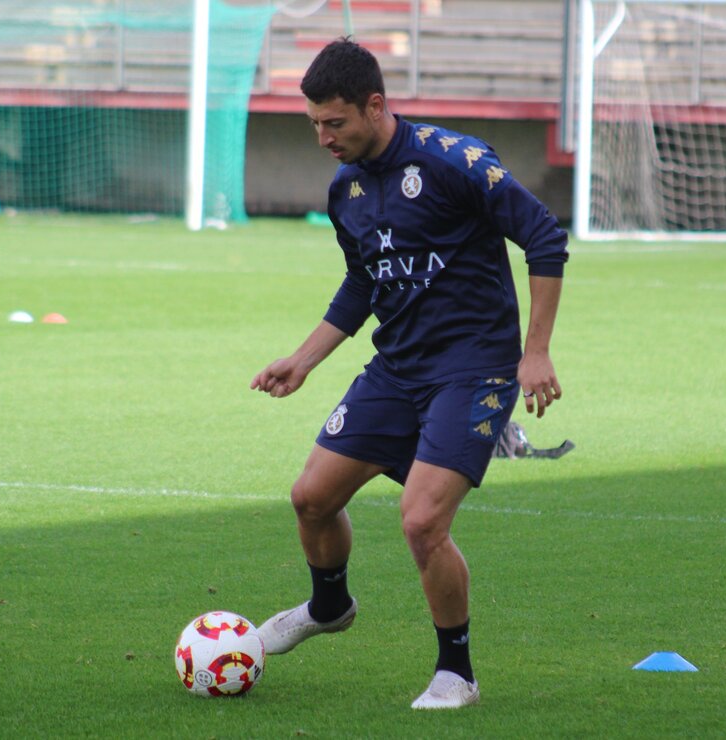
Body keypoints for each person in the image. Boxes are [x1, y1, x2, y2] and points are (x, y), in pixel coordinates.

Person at [250, 38, 569, 710]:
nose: (321, 138)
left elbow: (542, 237)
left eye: (333, 123)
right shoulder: (346, 190)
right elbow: (362, 283)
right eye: (312, 124)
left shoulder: (455, 160)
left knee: (421, 521)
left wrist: (533, 352)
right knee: (310, 497)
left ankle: (457, 672)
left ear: (374, 105)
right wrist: (301, 360)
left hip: (474, 370)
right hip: (396, 369)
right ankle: (329, 606)